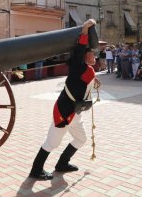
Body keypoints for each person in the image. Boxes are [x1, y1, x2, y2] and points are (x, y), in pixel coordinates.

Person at [29, 19, 100, 180]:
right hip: (65, 113)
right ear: (84, 56)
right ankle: (36, 170)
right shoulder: (78, 65)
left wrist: (93, 81)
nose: (95, 55)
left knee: (81, 139)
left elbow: (84, 81)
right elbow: (79, 49)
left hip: (76, 113)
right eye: (91, 53)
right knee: (51, 143)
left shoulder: (87, 70)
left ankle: (62, 164)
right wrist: (84, 29)